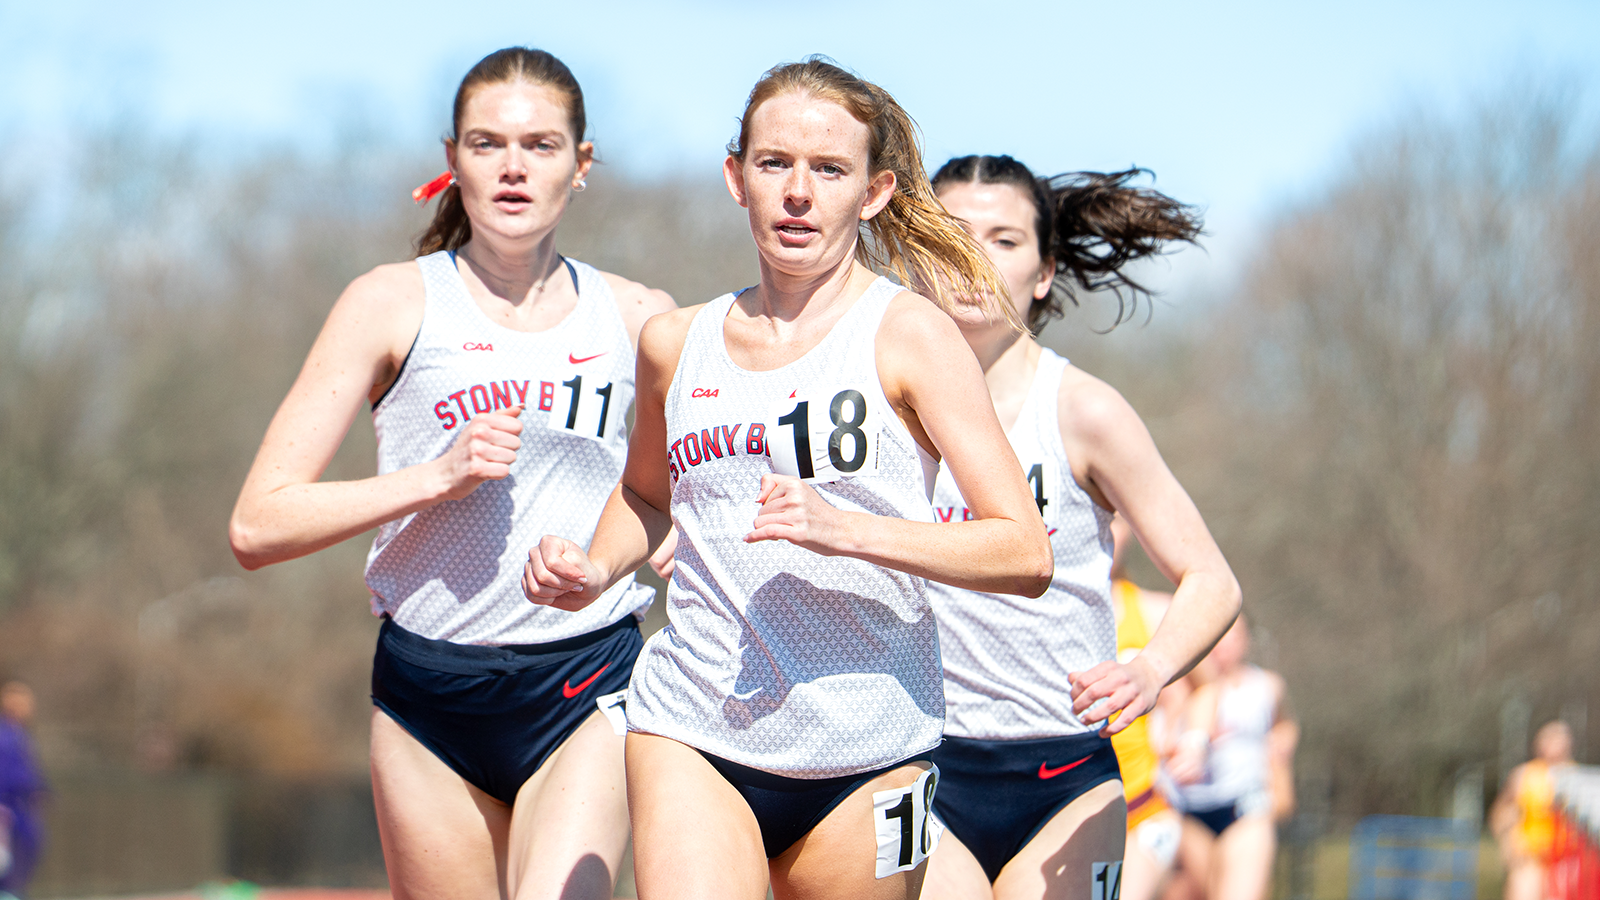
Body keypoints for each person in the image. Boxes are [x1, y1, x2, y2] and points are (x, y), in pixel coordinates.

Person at [522, 58, 1054, 900]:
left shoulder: (910, 336)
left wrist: (852, 529)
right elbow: (648, 496)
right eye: (775, 164)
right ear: (738, 178)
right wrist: (594, 567)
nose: (798, 192)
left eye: (829, 169)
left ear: (874, 192)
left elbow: (1025, 552)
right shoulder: (672, 342)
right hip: (694, 725)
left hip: (870, 747)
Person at [228, 47, 677, 900]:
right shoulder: (388, 303)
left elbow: (667, 502)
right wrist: (433, 477)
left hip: (582, 681)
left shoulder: (639, 318)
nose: (513, 167)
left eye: (541, 146)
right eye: (487, 143)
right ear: (451, 161)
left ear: (581, 167)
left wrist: (614, 559)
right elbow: (257, 525)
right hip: (427, 696)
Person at [913, 154, 1242, 900]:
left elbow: (1211, 580)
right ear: (917, 255)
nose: (974, 256)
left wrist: (1151, 669)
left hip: (1064, 776)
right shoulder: (874, 406)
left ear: (1044, 273)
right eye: (952, 235)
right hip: (920, 757)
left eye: (1003, 239)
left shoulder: (1084, 411)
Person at [1166, 617, 1296, 900]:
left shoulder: (1266, 686)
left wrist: (1285, 744)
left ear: (1245, 640)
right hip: (1188, 813)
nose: (1221, 645)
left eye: (1230, 636)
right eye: (1215, 637)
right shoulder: (1177, 690)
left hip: (1245, 808)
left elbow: (1284, 726)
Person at [1492, 720, 1577, 900]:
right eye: (1548, 739)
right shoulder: (1524, 775)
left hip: (1565, 859)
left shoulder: (1578, 778)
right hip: (1530, 858)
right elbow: (1500, 814)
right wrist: (1507, 845)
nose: (1552, 745)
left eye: (1557, 739)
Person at [0, 682, 46, 900]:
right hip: (12, 821)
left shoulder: (18, 735)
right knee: (10, 882)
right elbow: (14, 778)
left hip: (18, 818)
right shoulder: (8, 737)